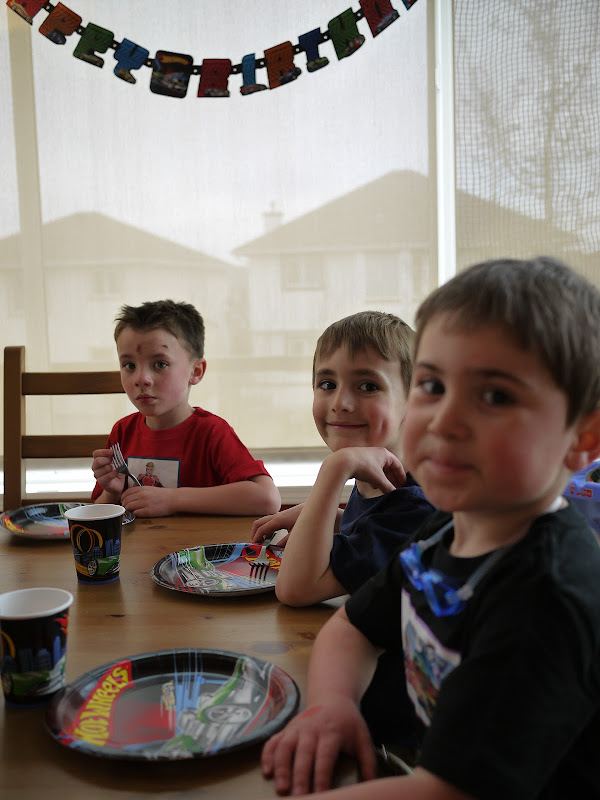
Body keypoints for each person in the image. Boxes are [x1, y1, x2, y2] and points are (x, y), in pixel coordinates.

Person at [259, 257, 600, 800]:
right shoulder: (448, 525)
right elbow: (352, 627)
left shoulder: (546, 597)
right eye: (433, 385)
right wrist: (331, 705)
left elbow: (447, 791)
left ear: (582, 438)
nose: (444, 420)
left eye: (495, 396)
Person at [251, 311, 435, 745]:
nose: (340, 403)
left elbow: (295, 589)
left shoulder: (412, 506)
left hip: (384, 723)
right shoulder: (382, 477)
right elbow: (367, 528)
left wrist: (332, 472)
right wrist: (325, 513)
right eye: (327, 384)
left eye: (367, 386)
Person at [91, 300, 281, 518]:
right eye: (129, 365)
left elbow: (267, 499)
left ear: (196, 371)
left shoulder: (212, 432)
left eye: (160, 364)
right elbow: (98, 511)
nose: (141, 378)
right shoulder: (123, 431)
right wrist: (112, 492)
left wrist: (172, 499)